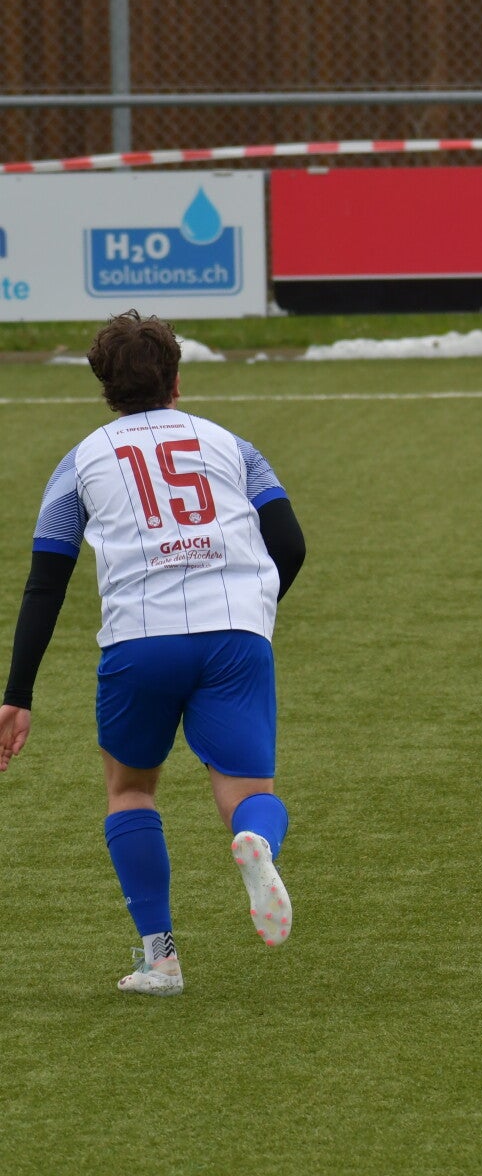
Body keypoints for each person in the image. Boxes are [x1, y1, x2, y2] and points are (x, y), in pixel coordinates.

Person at [0, 310, 306, 996]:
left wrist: (17, 693)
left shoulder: (80, 462)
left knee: (131, 790)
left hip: (139, 641)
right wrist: (251, 613)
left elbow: (46, 581)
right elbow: (290, 544)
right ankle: (257, 842)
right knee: (249, 796)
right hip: (234, 636)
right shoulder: (232, 446)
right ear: (176, 379)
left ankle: (160, 959)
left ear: (105, 388)